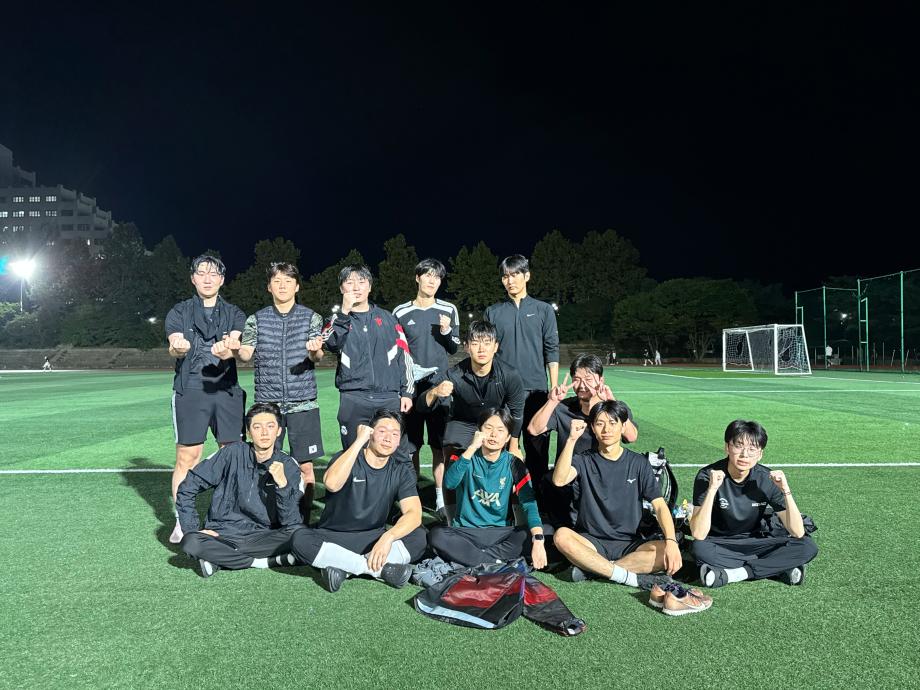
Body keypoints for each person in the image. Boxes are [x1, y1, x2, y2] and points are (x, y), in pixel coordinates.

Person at [290, 410, 427, 592]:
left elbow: (414, 513)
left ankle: (344, 568)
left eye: (395, 434)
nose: (388, 438)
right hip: (334, 537)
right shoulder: (346, 457)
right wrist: (358, 442)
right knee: (300, 539)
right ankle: (380, 570)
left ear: (399, 441)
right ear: (370, 433)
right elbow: (331, 484)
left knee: (419, 536)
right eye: (382, 431)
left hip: (373, 539)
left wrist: (388, 537)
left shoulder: (400, 471)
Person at [551, 401, 682, 589]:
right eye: (600, 423)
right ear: (593, 428)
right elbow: (559, 480)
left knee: (666, 552)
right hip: (591, 542)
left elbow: (660, 505)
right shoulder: (583, 460)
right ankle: (628, 577)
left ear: (623, 426)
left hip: (630, 543)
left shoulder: (639, 463)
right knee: (561, 536)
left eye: (613, 423)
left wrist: (671, 541)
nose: (606, 429)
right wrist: (571, 440)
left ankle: (594, 568)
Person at [165, 254, 247, 544]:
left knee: (233, 455)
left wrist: (230, 348)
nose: (207, 278)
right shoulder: (179, 311)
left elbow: (235, 343)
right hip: (191, 389)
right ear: (193, 278)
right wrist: (178, 346)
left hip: (226, 389)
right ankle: (183, 520)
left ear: (222, 280)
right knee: (187, 457)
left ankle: (230, 518)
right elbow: (174, 346)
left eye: (213, 274)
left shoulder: (234, 313)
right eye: (201, 273)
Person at [237, 262, 325, 522]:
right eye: (277, 281)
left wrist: (314, 351)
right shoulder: (256, 319)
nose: (282, 286)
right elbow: (246, 354)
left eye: (288, 281)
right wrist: (234, 348)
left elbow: (317, 355)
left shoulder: (311, 317)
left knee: (306, 467)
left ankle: (302, 521)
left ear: (297, 286)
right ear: (269, 287)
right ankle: (266, 519)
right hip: (268, 405)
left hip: (303, 402)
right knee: (264, 463)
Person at [177, 402, 306, 577]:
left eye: (270, 426)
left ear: (279, 431)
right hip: (222, 534)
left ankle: (219, 559)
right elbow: (187, 487)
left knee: (300, 534)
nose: (264, 432)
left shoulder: (289, 466)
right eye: (257, 427)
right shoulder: (231, 453)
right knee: (191, 541)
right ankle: (262, 562)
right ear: (248, 432)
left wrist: (282, 485)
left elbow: (292, 521)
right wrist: (193, 529)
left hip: (262, 536)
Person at [690, 420, 818, 588]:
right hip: (721, 543)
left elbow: (798, 531)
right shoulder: (708, 475)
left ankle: (733, 574)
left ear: (760, 454)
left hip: (756, 541)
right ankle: (776, 568)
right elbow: (698, 533)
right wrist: (713, 488)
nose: (745, 455)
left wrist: (786, 490)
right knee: (699, 548)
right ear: (727, 447)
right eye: (738, 446)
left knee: (807, 546)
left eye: (752, 449)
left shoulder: (766, 478)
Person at [428, 408, 547, 569]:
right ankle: (497, 564)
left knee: (546, 532)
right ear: (478, 431)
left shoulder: (514, 463)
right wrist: (472, 448)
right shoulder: (463, 456)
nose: (493, 434)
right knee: (436, 535)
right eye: (488, 428)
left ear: (507, 437)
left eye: (500, 430)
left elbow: (529, 502)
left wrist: (538, 539)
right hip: (465, 532)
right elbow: (449, 483)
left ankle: (476, 559)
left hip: (500, 533)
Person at [527, 353, 638, 526]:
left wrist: (612, 403)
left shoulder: (615, 407)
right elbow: (534, 429)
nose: (582, 385)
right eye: (577, 380)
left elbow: (631, 436)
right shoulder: (564, 408)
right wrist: (553, 401)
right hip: (570, 477)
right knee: (549, 481)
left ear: (601, 380)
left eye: (588, 379)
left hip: (603, 476)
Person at [483, 255, 559, 496]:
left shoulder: (543, 310)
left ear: (526, 276)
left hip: (537, 391)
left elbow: (551, 349)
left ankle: (538, 500)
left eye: (515, 274)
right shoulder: (493, 312)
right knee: (501, 448)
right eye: (505, 276)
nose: (510, 280)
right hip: (503, 391)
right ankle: (502, 500)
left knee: (537, 450)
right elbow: (487, 351)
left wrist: (553, 388)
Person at [324, 265, 414, 451]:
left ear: (370, 286)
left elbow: (404, 355)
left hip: (388, 398)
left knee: (396, 454)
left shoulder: (388, 319)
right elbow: (331, 343)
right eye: (349, 282)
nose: (356, 287)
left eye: (361, 282)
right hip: (354, 397)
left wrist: (407, 392)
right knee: (353, 453)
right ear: (341, 288)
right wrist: (344, 312)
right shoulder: (336, 320)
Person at [393, 258, 461, 504]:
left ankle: (441, 499)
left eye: (437, 277)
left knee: (439, 446)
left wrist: (446, 332)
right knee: (410, 446)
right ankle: (413, 496)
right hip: (410, 389)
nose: (433, 281)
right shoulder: (400, 312)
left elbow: (454, 348)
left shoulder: (449, 309)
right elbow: (396, 350)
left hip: (439, 387)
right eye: (428, 275)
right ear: (417, 278)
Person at [418, 320, 525, 459]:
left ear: (495, 347)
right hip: (464, 423)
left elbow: (517, 414)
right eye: (475, 343)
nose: (481, 349)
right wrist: (435, 392)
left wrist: (514, 446)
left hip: (495, 422)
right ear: (467, 347)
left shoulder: (509, 375)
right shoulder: (454, 375)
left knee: (503, 461)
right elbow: (421, 406)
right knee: (452, 451)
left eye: (487, 343)